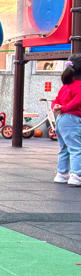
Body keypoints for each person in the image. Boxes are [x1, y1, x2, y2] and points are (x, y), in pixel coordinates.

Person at [52, 54, 81, 185]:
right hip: (72, 119)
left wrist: (56, 107)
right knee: (76, 148)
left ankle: (62, 174)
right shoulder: (79, 86)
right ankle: (76, 174)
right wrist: (64, 108)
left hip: (61, 119)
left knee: (64, 148)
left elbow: (56, 100)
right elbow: (77, 102)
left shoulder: (65, 86)